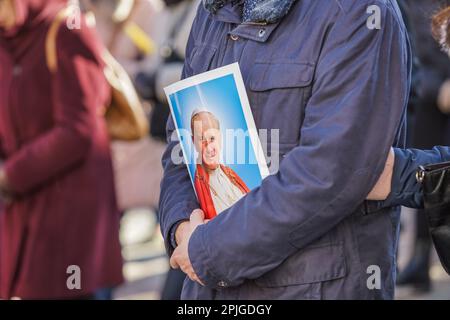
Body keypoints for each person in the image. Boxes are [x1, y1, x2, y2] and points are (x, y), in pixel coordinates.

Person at [160, 0, 411, 299]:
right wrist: (181, 227)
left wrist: (208, 248)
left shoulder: (357, 12)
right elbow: (181, 141)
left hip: (313, 286)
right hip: (208, 283)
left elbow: (330, 171)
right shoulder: (213, 8)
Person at [0, 0, 123, 299]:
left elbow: (78, 129)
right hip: (22, 209)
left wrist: (10, 174)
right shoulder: (7, 38)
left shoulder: (69, 28)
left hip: (68, 215)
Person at [396, 0, 450, 292]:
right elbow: (410, 59)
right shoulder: (411, 5)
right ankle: (420, 260)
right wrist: (437, 88)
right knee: (428, 178)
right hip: (430, 104)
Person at [191, 110, 250, 219]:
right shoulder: (198, 182)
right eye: (201, 140)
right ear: (193, 141)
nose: (209, 147)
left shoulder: (230, 173)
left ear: (220, 138)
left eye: (212, 139)